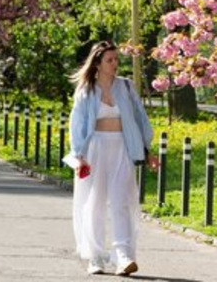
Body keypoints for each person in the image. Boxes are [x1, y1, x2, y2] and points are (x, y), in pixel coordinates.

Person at [65, 41, 158, 276]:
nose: (115, 64)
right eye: (110, 60)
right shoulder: (86, 90)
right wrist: (79, 156)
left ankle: (123, 255)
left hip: (122, 148)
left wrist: (147, 151)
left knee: (121, 201)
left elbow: (140, 119)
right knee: (94, 203)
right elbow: (76, 125)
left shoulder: (126, 87)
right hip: (95, 149)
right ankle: (95, 257)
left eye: (116, 59)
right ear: (97, 63)